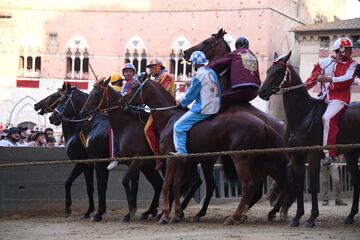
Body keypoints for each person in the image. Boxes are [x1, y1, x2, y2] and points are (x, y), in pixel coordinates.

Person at [305, 37, 358, 165]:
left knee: (328, 118)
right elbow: (312, 78)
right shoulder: (324, 62)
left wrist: (328, 79)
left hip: (340, 99)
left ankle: (329, 153)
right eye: (349, 49)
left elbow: (347, 79)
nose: (352, 52)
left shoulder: (354, 64)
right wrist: (302, 88)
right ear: (341, 50)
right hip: (322, 97)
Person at [172, 51, 221, 155]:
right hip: (216, 106)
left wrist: (180, 102)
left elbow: (190, 95)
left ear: (195, 63)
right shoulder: (211, 72)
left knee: (178, 126)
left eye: (192, 63)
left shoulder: (198, 75)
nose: (192, 65)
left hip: (204, 108)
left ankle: (181, 152)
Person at [207, 36, 261, 108]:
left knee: (215, 99)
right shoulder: (253, 56)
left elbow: (219, 63)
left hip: (240, 90)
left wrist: (205, 68)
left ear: (237, 45)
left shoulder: (235, 53)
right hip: (255, 91)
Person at [107, 63, 137, 170]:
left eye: (130, 71)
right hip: (128, 109)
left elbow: (124, 97)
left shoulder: (133, 83)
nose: (128, 73)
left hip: (133, 109)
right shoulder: (126, 83)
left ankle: (115, 156)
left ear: (133, 73)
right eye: (126, 72)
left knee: (113, 129)